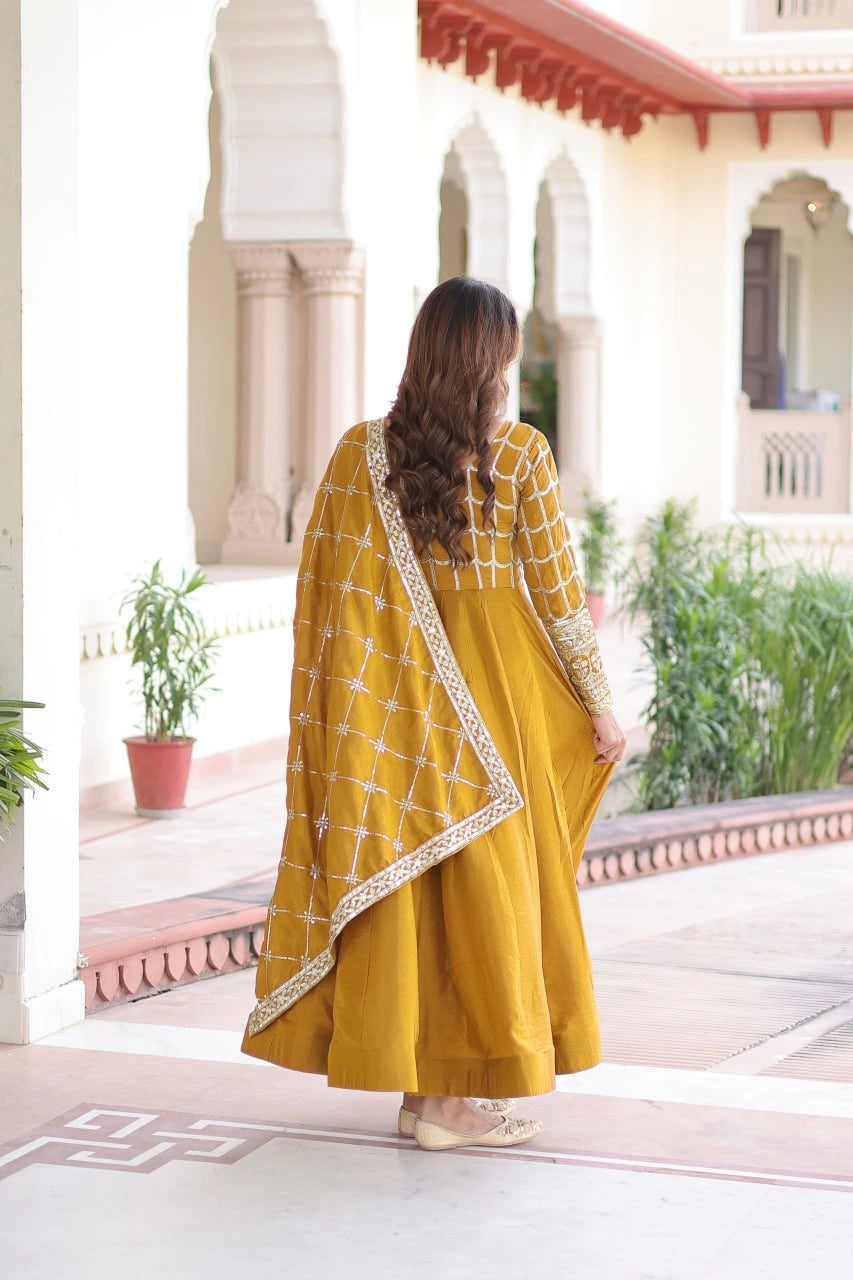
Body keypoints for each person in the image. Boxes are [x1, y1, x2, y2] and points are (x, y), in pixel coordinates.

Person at [240, 276, 626, 1152]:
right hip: (494, 700)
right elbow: (560, 599)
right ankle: (448, 1102)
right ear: (489, 357)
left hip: (396, 711)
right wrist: (599, 706)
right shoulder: (518, 454)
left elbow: (329, 606)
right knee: (488, 888)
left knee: (417, 882)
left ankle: (426, 1096)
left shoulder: (358, 456)